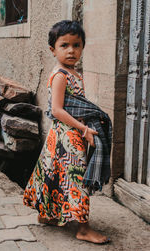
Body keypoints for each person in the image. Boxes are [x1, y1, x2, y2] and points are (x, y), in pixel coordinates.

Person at [23, 20, 112, 244]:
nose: (71, 50)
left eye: (76, 45)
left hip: (63, 136)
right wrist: (84, 129)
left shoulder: (74, 73)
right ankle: (83, 228)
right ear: (53, 49)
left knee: (54, 173)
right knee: (77, 179)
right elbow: (56, 109)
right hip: (68, 136)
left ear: (82, 47)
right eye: (64, 45)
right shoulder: (61, 75)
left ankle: (46, 215)